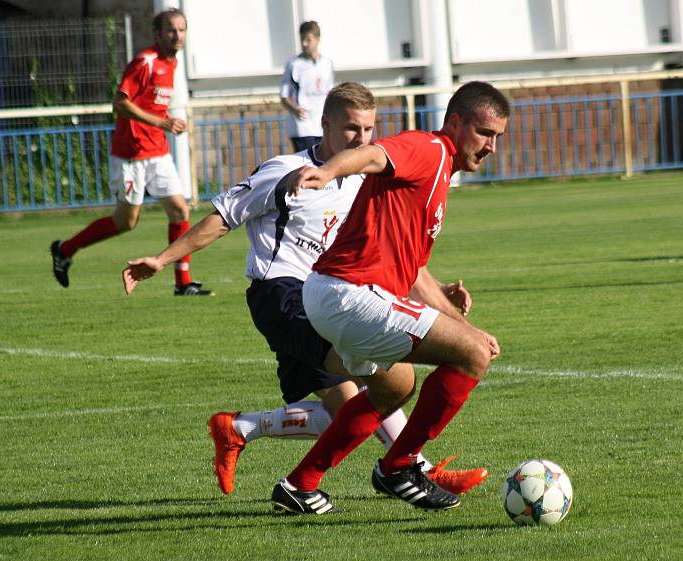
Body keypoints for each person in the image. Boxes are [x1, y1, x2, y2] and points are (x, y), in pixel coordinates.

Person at [121, 82, 488, 498]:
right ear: (325, 123)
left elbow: (388, 255)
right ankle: (414, 468)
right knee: (381, 382)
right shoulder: (283, 170)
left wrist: (438, 289)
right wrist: (163, 259)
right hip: (283, 296)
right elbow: (223, 217)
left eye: (369, 129)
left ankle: (241, 427)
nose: (362, 138)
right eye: (351, 128)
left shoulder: (361, 181)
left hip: (339, 294)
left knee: (349, 412)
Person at [269, 81, 509, 515]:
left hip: (335, 294)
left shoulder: (438, 177)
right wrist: (328, 172)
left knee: (395, 384)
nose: (491, 146)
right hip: (348, 294)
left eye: (497, 137)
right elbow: (374, 154)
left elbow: (413, 275)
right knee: (473, 355)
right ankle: (399, 467)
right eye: (484, 132)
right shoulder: (430, 149)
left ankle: (300, 484)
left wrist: (461, 322)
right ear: (455, 123)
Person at [50, 8, 212, 296]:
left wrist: (163, 125)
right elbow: (120, 103)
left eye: (182, 30)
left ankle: (183, 282)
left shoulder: (172, 64)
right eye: (171, 30)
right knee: (127, 222)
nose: (177, 36)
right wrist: (162, 122)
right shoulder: (145, 62)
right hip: (131, 154)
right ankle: (64, 250)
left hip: (157, 151)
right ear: (157, 34)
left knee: (179, 210)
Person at [280, 20, 334, 153]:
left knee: (324, 165)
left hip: (322, 125)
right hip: (302, 127)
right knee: (307, 166)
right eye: (302, 39)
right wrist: (296, 109)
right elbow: (284, 96)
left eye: (308, 40)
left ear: (317, 39)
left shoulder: (327, 63)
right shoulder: (294, 64)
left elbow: (330, 93)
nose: (304, 44)